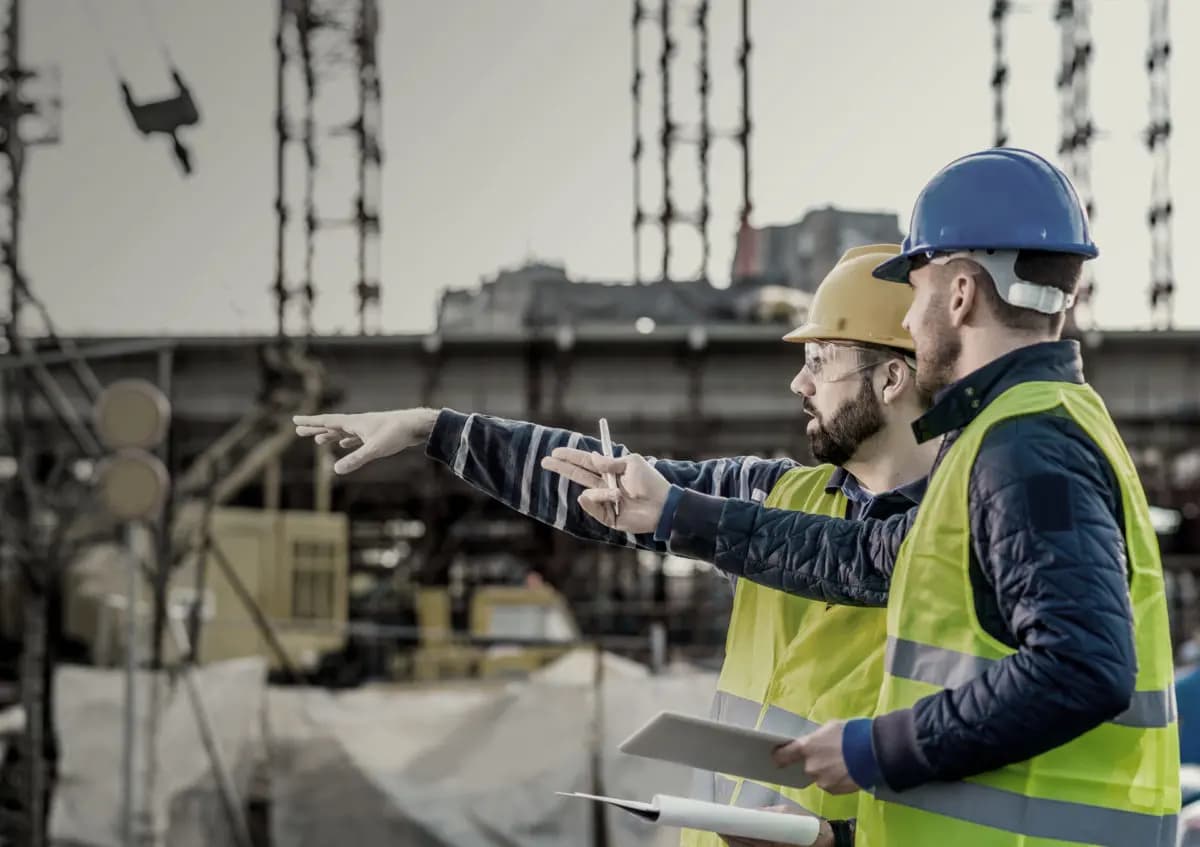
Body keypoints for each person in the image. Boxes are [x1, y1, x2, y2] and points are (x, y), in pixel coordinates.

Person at [556, 148, 1180, 847]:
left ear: (962, 293)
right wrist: (675, 512)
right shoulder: (1009, 435)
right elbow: (862, 553)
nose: (910, 323)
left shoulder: (1027, 445)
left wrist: (871, 748)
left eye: (914, 294)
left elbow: (1082, 666)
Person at [294, 244, 938, 847]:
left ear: (889, 378)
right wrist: (435, 429)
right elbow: (606, 486)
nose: (799, 384)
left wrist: (837, 839)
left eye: (819, 363)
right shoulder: (774, 495)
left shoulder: (964, 531)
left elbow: (966, 763)